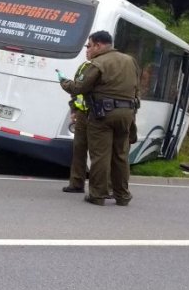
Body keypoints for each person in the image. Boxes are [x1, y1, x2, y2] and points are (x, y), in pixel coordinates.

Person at [59, 30, 140, 206]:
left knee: (100, 155)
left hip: (103, 115)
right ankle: (122, 196)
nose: (88, 49)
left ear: (98, 45)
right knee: (120, 156)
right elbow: (136, 88)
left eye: (89, 45)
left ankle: (97, 194)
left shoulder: (97, 63)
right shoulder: (130, 61)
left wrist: (64, 82)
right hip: (127, 114)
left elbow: (79, 87)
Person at [61, 56, 93, 194]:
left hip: (96, 115)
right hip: (81, 114)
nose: (87, 51)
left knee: (98, 152)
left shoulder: (100, 67)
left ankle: (101, 188)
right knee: (79, 149)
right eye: (87, 48)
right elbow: (76, 91)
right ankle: (76, 183)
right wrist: (74, 110)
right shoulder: (83, 67)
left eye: (90, 47)